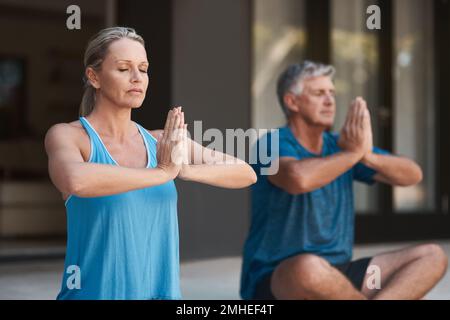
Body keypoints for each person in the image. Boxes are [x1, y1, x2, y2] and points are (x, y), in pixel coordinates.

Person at [45, 27, 257, 300]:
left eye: (143, 69)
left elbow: (246, 173)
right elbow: (75, 180)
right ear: (94, 76)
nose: (137, 78)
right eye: (123, 68)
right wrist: (162, 173)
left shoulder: (161, 141)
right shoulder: (69, 136)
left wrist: (186, 170)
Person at [240, 61, 447, 300]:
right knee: (306, 269)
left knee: (432, 256)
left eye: (332, 93)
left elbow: (412, 175)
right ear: (292, 102)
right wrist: (351, 154)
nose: (329, 101)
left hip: (340, 276)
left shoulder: (342, 146)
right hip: (279, 279)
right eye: (319, 93)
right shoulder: (270, 145)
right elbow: (298, 178)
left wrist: (367, 156)